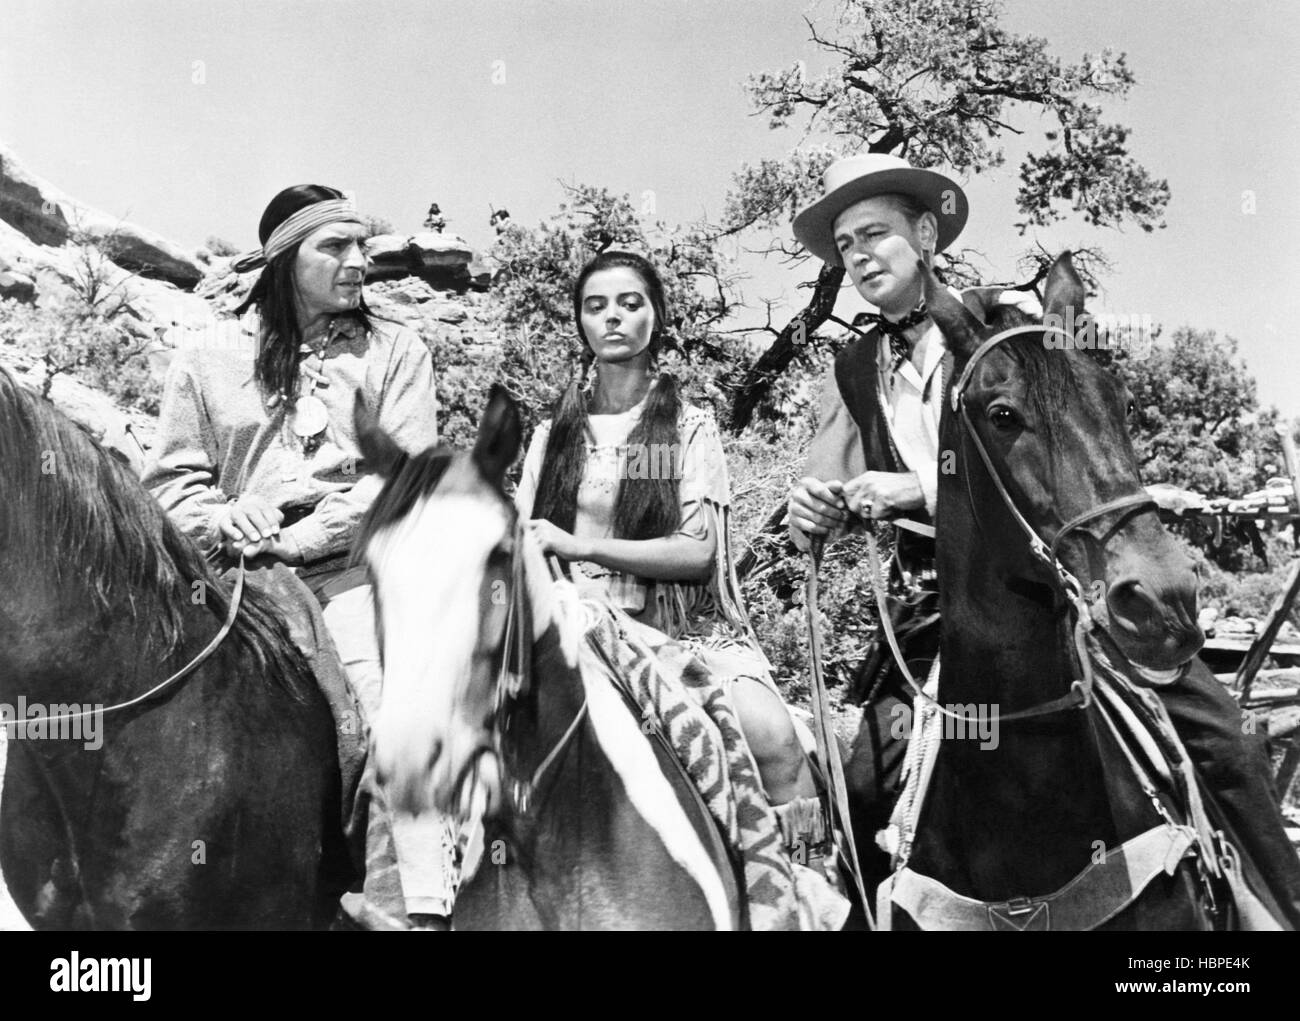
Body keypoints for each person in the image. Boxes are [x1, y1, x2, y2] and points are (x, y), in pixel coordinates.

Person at [787, 152, 1300, 927]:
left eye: (877, 233)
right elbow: (822, 475)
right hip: (937, 613)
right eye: (846, 243)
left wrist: (920, 488)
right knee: (861, 779)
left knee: (1221, 734)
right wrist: (813, 509)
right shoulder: (855, 365)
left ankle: (1276, 909)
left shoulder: (1006, 323)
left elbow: (1064, 440)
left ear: (925, 233)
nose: (859, 255)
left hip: (1059, 582)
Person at [143, 184, 456, 930]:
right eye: (336, 247)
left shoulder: (396, 351)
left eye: (362, 246)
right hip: (232, 577)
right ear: (285, 260)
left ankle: (417, 906)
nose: (360, 262)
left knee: (386, 711)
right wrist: (225, 513)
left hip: (352, 571)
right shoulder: (209, 354)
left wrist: (300, 536)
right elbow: (168, 486)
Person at [515, 250, 824, 835]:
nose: (612, 318)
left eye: (630, 304)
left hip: (675, 630)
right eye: (595, 306)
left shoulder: (687, 427)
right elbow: (520, 543)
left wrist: (582, 548)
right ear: (579, 322)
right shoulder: (548, 438)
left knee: (774, 737)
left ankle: (809, 888)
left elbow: (697, 553)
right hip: (569, 629)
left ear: (656, 317)